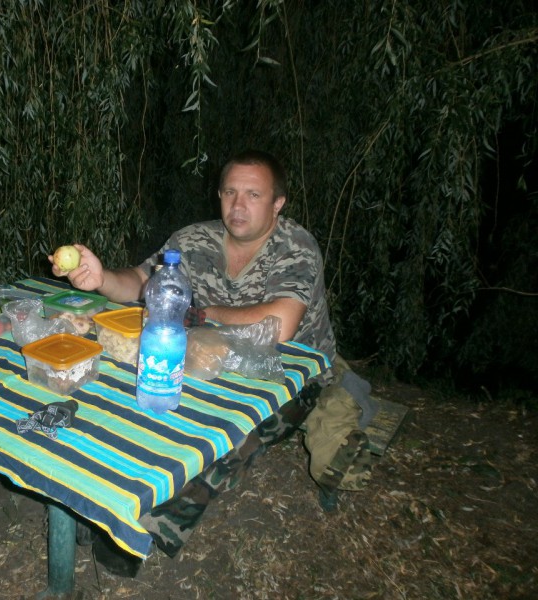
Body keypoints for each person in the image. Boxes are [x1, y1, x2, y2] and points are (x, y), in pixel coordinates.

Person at [49, 149, 377, 571]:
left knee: (232, 435)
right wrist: (102, 278)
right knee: (137, 391)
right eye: (230, 192)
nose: (238, 205)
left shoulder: (295, 245)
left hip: (291, 373)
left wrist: (202, 314)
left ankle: (148, 529)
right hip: (211, 356)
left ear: (277, 203)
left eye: (253, 195)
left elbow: (281, 324)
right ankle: (102, 492)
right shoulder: (191, 240)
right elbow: (142, 283)